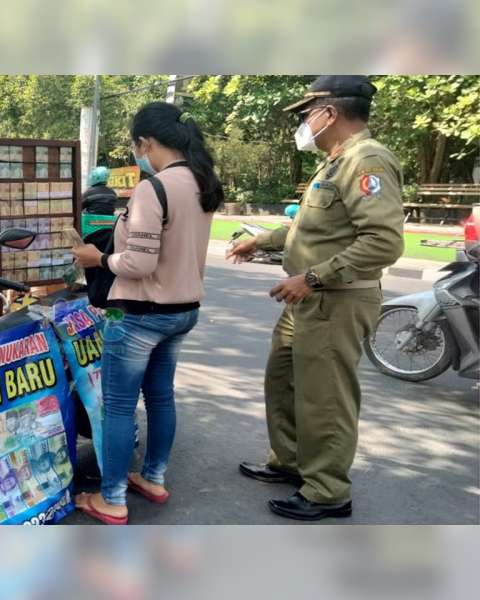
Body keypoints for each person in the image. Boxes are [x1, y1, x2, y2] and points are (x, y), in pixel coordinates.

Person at [226, 76, 405, 521]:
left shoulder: (366, 161)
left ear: (330, 112)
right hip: (310, 299)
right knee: (283, 382)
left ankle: (328, 491)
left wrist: (314, 278)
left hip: (335, 299)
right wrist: (262, 241)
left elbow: (383, 241)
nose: (304, 123)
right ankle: (292, 463)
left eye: (307, 113)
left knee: (325, 399)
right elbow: (314, 229)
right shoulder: (334, 162)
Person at [71, 102, 224, 524]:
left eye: (136, 145)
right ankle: (153, 477)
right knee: (160, 397)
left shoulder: (152, 188)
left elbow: (138, 264)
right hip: (183, 310)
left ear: (147, 142)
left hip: (138, 314)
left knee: (118, 407)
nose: (137, 153)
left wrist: (95, 258)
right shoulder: (203, 183)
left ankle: (113, 499)